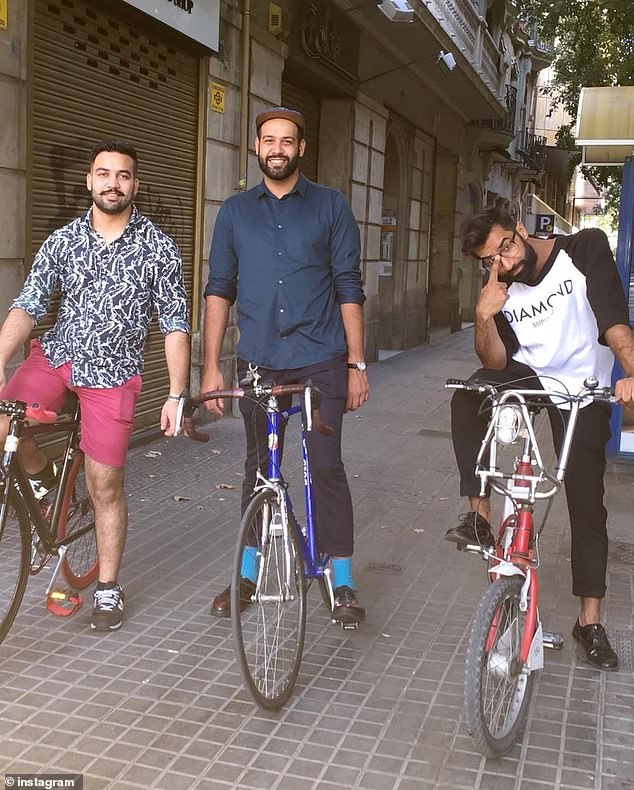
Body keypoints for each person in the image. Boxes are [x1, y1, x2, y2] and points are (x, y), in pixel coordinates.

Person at [0, 140, 190, 632]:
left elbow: (174, 324)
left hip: (113, 373)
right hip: (58, 357)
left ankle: (107, 587)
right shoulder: (63, 240)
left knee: (104, 484)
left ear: (135, 185)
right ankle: (44, 480)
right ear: (89, 181)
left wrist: (175, 393)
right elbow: (29, 304)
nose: (112, 182)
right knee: (3, 420)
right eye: (103, 173)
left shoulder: (158, 248)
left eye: (123, 175)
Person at [445, 206, 634, 670]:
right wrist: (485, 317)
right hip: (532, 377)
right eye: (491, 260)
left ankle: (588, 621)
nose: (505, 264)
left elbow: (612, 319)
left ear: (522, 230)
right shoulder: (500, 286)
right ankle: (479, 517)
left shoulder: (583, 249)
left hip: (583, 387)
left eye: (506, 247)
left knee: (586, 502)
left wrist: (631, 371)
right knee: (468, 397)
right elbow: (495, 362)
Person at [201, 106, 369, 626]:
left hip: (321, 358)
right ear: (256, 147)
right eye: (268, 140)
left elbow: (348, 286)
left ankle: (341, 580)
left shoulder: (331, 206)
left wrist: (357, 363)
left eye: (287, 141)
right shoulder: (233, 212)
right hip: (258, 361)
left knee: (325, 465)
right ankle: (247, 573)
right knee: (257, 469)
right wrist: (211, 367)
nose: (277, 149)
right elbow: (218, 289)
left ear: (302, 148)